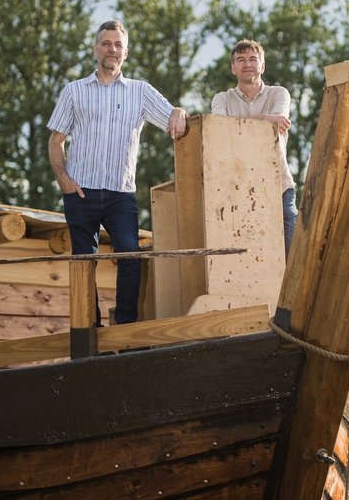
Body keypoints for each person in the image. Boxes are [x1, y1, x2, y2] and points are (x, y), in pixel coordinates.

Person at [47, 19, 187, 325]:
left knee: (130, 258)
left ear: (125, 52)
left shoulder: (140, 91)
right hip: (80, 192)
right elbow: (56, 140)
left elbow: (173, 120)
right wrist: (64, 180)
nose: (112, 49)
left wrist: (179, 110)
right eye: (106, 43)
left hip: (120, 193)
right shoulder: (73, 91)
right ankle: (89, 327)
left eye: (118, 44)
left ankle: (125, 326)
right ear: (95, 48)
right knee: (84, 263)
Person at [210, 39, 298, 257]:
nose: (247, 64)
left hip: (279, 188)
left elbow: (277, 124)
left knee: (293, 256)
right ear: (233, 68)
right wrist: (267, 119)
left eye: (252, 59)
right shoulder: (222, 99)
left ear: (262, 66)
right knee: (249, 261)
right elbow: (221, 129)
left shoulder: (279, 94)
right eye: (240, 60)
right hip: (236, 191)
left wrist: (238, 124)